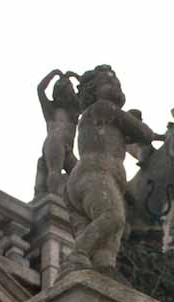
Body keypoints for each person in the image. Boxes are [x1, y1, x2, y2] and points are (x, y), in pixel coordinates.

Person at [62, 66, 162, 277]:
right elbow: (143, 133)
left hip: (87, 179)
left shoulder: (102, 117)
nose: (116, 86)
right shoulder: (103, 107)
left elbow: (130, 134)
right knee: (113, 217)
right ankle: (75, 255)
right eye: (109, 82)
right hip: (95, 175)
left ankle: (102, 267)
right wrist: (155, 134)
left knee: (109, 239)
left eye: (117, 83)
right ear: (93, 91)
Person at [34, 69, 81, 198]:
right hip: (55, 142)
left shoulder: (74, 111)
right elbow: (40, 89)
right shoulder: (51, 109)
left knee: (81, 177)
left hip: (68, 149)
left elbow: (87, 94)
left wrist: (76, 76)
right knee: (55, 173)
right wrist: (53, 73)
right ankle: (53, 199)